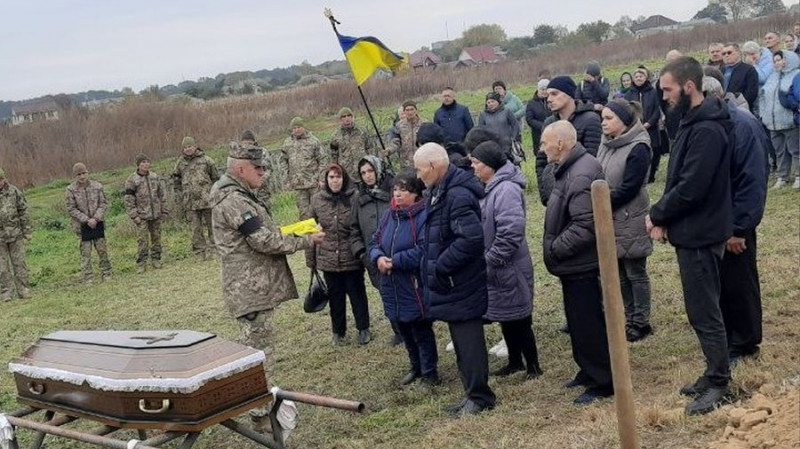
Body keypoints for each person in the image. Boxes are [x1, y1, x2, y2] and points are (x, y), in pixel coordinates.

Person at [210, 143, 324, 433]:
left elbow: (266, 234)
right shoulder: (234, 200)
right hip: (250, 290)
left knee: (259, 351)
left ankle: (260, 408)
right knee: (259, 354)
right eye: (258, 168)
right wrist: (305, 240)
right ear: (240, 168)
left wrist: (297, 230)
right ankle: (261, 416)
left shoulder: (240, 195)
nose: (263, 172)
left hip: (253, 287)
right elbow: (263, 241)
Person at [647, 56, 733, 416]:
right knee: (700, 309)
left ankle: (719, 384)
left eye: (667, 89)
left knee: (704, 311)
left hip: (701, 232)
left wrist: (657, 213)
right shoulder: (691, 122)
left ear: (689, 86)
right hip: (692, 230)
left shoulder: (707, 130)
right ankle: (712, 372)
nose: (664, 96)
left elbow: (691, 188)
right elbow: (677, 177)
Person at [414, 143, 495, 416]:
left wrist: (440, 266)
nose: (417, 175)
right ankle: (471, 394)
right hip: (452, 284)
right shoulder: (439, 191)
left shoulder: (457, 195)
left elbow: (471, 239)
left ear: (435, 166)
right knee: (461, 343)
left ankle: (481, 397)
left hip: (461, 282)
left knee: (469, 343)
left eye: (420, 169)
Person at [540, 121, 612, 405]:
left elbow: (585, 225)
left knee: (588, 323)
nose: (542, 148)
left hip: (580, 263)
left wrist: (555, 249)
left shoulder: (581, 173)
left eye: (545, 142)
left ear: (560, 144)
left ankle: (602, 380)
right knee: (578, 322)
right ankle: (587, 369)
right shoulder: (570, 167)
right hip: (572, 265)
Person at [702, 75, 769, 365]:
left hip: (734, 224)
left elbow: (752, 182)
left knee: (739, 282)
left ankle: (745, 341)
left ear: (713, 96)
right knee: (723, 283)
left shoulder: (742, 125)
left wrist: (739, 228)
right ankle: (730, 337)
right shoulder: (713, 125)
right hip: (716, 222)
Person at [469, 141, 543, 379]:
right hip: (498, 267)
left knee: (519, 317)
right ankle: (514, 362)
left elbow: (510, 232)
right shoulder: (491, 187)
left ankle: (532, 365)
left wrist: (491, 259)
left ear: (490, 165)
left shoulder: (506, 190)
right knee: (506, 315)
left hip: (508, 265)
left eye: (477, 162)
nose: (473, 167)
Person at [369, 169, 438, 386]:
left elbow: (424, 249)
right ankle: (415, 366)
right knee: (403, 327)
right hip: (391, 283)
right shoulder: (390, 215)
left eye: (404, 190)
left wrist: (395, 261)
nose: (397, 195)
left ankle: (430, 372)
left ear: (416, 193)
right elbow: (374, 241)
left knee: (420, 328)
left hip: (413, 282)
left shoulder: (423, 215)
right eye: (395, 190)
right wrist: (378, 257)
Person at [597, 100, 654, 342]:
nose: (603, 122)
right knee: (618, 271)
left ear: (624, 121)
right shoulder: (606, 144)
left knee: (635, 271)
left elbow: (630, 187)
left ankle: (641, 322)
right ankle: (628, 317)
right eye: (603, 117)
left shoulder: (638, 147)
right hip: (608, 215)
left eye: (609, 118)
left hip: (629, 215)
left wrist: (601, 202)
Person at [307, 163, 371, 346]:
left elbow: (362, 226)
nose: (335, 181)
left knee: (357, 293)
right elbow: (310, 229)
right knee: (335, 296)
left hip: (351, 255)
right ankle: (338, 331)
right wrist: (311, 261)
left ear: (345, 179)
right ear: (326, 180)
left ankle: (364, 328)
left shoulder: (355, 197)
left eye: (339, 177)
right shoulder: (317, 200)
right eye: (331, 177)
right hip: (328, 258)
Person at [349, 155, 403, 346]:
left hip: (397, 252)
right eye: (363, 173)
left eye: (370, 171)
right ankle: (397, 330)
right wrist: (361, 254)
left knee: (404, 291)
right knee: (386, 294)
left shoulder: (393, 191)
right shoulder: (358, 198)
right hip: (373, 257)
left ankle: (411, 328)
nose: (367, 176)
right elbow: (353, 229)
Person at [536, 75, 602, 206]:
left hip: (579, 194)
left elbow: (590, 159)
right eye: (548, 95)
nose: (549, 99)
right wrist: (546, 196)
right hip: (554, 194)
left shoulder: (590, 119)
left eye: (554, 94)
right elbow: (541, 160)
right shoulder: (549, 123)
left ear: (569, 94)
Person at [172, 136, 220, 259]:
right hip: (190, 202)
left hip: (207, 199)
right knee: (195, 229)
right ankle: (200, 252)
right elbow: (176, 182)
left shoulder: (206, 160)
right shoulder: (180, 163)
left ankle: (215, 248)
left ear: (195, 146)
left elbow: (216, 178)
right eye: (185, 147)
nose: (188, 149)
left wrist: (214, 194)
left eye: (190, 146)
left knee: (212, 225)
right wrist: (180, 197)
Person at [65, 162, 112, 284]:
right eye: (79, 174)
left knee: (102, 250)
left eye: (83, 173)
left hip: (97, 223)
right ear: (75, 176)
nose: (82, 176)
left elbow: (103, 203)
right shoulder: (70, 190)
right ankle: (88, 277)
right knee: (85, 253)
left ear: (87, 172)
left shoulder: (97, 186)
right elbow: (71, 208)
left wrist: (96, 218)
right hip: (82, 226)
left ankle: (106, 273)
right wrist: (86, 219)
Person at [759, 50, 800, 189]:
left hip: (790, 120)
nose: (777, 63)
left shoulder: (796, 75)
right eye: (775, 60)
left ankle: (798, 175)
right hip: (772, 122)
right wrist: (764, 114)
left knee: (795, 150)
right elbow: (763, 96)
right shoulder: (772, 77)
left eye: (780, 60)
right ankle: (783, 176)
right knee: (780, 151)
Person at [124, 154, 168, 273]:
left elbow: (162, 195)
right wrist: (134, 215)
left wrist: (164, 210)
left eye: (147, 162)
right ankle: (141, 263)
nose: (145, 164)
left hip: (156, 214)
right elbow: (128, 199)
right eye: (142, 162)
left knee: (157, 238)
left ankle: (156, 259)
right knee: (142, 240)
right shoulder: (132, 180)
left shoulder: (154, 177)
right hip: (141, 216)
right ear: (138, 165)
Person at [279, 117, 326, 219]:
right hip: (298, 185)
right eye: (294, 128)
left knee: (318, 210)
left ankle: (322, 233)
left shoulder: (313, 141)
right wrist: (286, 180)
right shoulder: (287, 143)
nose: (296, 130)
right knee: (304, 214)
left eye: (299, 127)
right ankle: (308, 235)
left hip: (314, 183)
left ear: (304, 127)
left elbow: (322, 160)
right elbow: (283, 161)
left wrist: (322, 179)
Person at [624, 67, 663, 183]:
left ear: (645, 78)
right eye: (636, 77)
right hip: (635, 129)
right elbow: (627, 109)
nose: (638, 78)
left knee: (655, 151)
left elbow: (657, 110)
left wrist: (649, 123)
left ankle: (652, 174)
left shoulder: (653, 92)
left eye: (641, 76)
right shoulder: (629, 93)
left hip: (651, 127)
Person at [0, 168, 32, 301]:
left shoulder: (14, 191)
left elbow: (23, 211)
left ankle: (23, 290)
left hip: (15, 234)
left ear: (4, 178)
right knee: (2, 267)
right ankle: (6, 292)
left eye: (0, 179)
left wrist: (27, 230)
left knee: (19, 263)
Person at [329, 107, 375, 182]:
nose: (347, 118)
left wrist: (372, 165)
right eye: (344, 116)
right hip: (346, 174)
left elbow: (370, 148)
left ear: (352, 117)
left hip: (363, 172)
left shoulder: (362, 131)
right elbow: (334, 156)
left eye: (349, 115)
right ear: (340, 119)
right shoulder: (335, 136)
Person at [478, 92, 520, 160]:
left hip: (507, 145)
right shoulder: (483, 115)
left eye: (493, 101)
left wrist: (513, 137)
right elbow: (480, 130)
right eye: (488, 102)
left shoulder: (506, 111)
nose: (490, 104)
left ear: (498, 102)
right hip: (492, 146)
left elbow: (515, 124)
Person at [721, 43, 759, 110]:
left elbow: (751, 93)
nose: (726, 55)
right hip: (722, 109)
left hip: (741, 109)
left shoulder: (749, 70)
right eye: (723, 54)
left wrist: (739, 107)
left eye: (729, 52)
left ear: (738, 53)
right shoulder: (721, 70)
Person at [386, 101, 422, 166]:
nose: (410, 112)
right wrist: (389, 150)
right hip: (406, 163)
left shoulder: (424, 124)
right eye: (407, 110)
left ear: (416, 110)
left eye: (412, 109)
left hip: (422, 161)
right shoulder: (399, 126)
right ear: (404, 112)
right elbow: (396, 141)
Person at [525, 79, 551, 156]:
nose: (544, 91)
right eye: (542, 89)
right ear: (538, 89)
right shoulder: (531, 103)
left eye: (546, 89)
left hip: (553, 132)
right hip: (538, 134)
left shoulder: (552, 101)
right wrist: (543, 126)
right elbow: (529, 120)